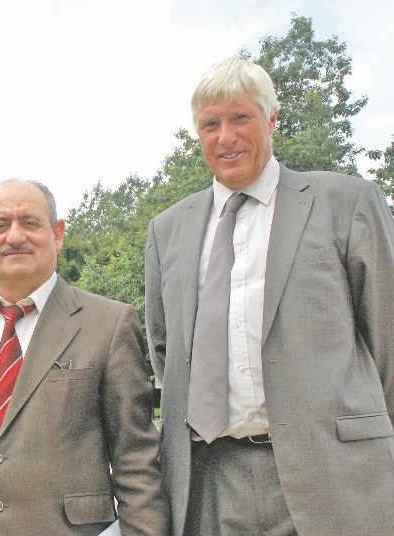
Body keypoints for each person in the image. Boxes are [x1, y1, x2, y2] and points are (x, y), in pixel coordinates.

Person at [144, 58, 394, 536]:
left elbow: (387, 339)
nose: (226, 137)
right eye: (210, 124)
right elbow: (165, 350)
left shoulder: (348, 202)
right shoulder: (166, 230)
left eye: (241, 118)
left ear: (273, 118)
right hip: (210, 481)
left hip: (334, 473)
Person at [0, 179, 169, 535]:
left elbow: (136, 461)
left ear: (57, 234)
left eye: (30, 222)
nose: (14, 237)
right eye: (0, 225)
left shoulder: (109, 324)